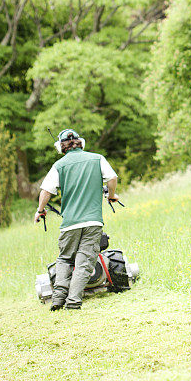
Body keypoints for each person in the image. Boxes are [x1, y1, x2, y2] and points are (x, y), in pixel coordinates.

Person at [34, 129, 119, 311]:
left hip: (70, 223)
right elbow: (112, 178)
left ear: (60, 147)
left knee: (64, 259)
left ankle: (57, 299)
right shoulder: (97, 159)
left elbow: (45, 192)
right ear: (81, 142)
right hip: (92, 222)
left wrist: (40, 211)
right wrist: (111, 195)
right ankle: (73, 303)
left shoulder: (59, 165)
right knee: (84, 261)